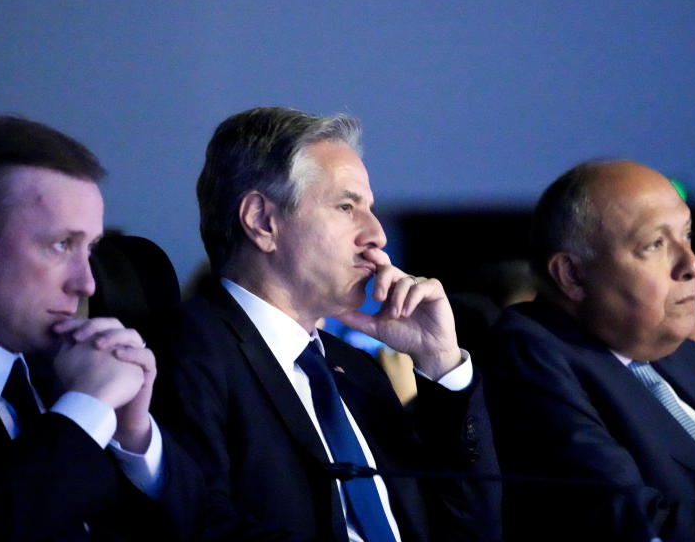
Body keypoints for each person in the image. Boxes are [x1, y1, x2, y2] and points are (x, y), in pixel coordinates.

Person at [153, 106, 501, 542]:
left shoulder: (357, 370)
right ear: (262, 221)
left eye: (369, 209)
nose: (377, 234)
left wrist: (440, 360)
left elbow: (470, 529)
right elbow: (202, 525)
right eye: (346, 206)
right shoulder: (187, 348)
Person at [0, 115, 203, 541]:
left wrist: (132, 433)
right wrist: (89, 405)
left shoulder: (63, 364)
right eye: (61, 245)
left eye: (90, 248)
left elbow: (207, 522)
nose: (86, 282)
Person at [482, 159, 695, 541]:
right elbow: (633, 521)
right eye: (655, 244)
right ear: (572, 274)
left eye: (687, 236)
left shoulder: (691, 358)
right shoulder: (530, 353)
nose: (693, 265)